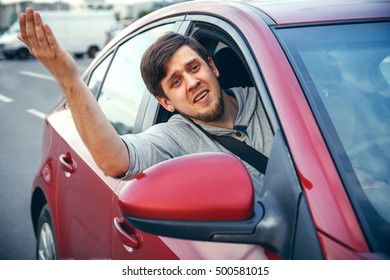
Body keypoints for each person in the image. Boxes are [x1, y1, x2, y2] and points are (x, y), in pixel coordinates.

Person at [18, 7, 273, 198]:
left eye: (194, 67)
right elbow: (115, 161)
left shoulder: (272, 100)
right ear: (165, 102)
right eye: (175, 82)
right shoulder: (175, 137)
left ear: (213, 67)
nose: (192, 82)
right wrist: (70, 79)